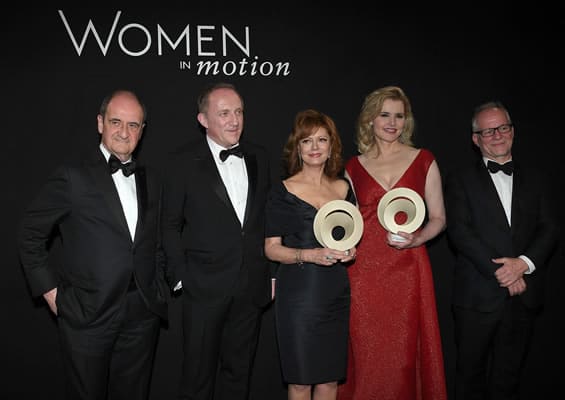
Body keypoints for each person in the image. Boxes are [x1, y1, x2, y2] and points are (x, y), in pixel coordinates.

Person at [17, 89, 168, 400]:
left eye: (133, 125)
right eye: (116, 122)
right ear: (100, 123)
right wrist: (53, 295)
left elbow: (153, 241)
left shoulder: (151, 179)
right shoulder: (73, 176)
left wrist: (158, 285)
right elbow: (29, 233)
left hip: (142, 314)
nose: (124, 132)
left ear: (142, 130)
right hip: (88, 315)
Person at [160, 82, 272, 400]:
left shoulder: (259, 156)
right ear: (203, 119)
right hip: (202, 290)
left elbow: (267, 219)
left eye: (238, 112)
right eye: (224, 113)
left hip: (250, 288)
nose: (234, 120)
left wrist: (271, 273)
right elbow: (169, 225)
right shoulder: (181, 162)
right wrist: (181, 277)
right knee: (196, 380)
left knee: (238, 378)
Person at [338, 86, 447, 400]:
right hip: (363, 272)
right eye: (384, 114)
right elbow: (347, 220)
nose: (392, 122)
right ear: (370, 119)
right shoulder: (352, 166)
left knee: (402, 355)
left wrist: (417, 238)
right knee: (367, 353)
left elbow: (438, 218)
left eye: (399, 116)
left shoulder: (423, 159)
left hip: (408, 269)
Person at [444, 101, 558, 400]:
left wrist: (523, 264)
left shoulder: (538, 177)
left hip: (524, 296)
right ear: (476, 139)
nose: (497, 135)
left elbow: (550, 228)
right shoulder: (459, 179)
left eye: (503, 128)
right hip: (476, 297)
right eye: (488, 131)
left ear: (513, 131)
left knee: (508, 380)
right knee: (469, 379)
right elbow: (460, 232)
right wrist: (504, 272)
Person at [264, 109, 357, 400]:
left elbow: (351, 236)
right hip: (299, 296)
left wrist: (351, 250)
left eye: (322, 140)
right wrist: (309, 255)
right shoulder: (283, 191)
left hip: (335, 292)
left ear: (332, 146)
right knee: (301, 381)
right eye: (307, 141)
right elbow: (271, 248)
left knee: (330, 380)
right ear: (297, 147)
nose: (315, 147)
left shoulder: (344, 188)